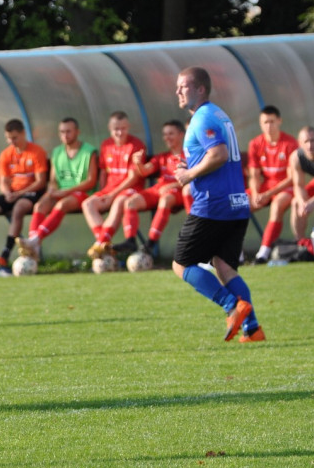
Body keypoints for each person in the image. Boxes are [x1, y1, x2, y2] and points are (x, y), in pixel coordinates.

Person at [172, 66, 263, 343]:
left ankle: (232, 307)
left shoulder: (203, 117)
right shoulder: (218, 114)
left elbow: (219, 154)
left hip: (215, 205)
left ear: (200, 89)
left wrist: (189, 175)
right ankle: (252, 329)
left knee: (181, 264)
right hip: (236, 203)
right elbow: (215, 155)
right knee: (224, 266)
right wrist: (191, 166)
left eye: (183, 86)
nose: (178, 91)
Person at [96, 119, 187, 257]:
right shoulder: (162, 157)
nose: (166, 138)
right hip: (159, 190)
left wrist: (173, 185)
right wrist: (138, 163)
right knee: (130, 202)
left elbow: (195, 175)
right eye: (164, 134)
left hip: (178, 192)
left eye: (171, 134)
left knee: (166, 199)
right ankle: (130, 240)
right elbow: (145, 171)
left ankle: (150, 242)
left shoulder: (188, 156)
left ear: (181, 135)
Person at [0, 119, 47, 274]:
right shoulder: (6, 154)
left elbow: (41, 182)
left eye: (14, 138)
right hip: (12, 193)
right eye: (8, 138)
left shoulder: (37, 152)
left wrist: (19, 193)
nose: (11, 142)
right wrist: (7, 193)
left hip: (31, 193)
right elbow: (3, 181)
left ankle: (5, 254)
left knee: (18, 209)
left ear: (23, 133)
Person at [19, 118, 99, 257]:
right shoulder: (57, 152)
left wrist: (66, 192)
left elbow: (91, 181)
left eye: (69, 131)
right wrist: (52, 189)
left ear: (77, 132)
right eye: (62, 132)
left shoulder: (89, 151)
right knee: (39, 206)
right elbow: (53, 179)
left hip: (82, 193)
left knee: (62, 205)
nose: (65, 135)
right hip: (61, 192)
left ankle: (35, 240)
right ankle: (34, 246)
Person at [80, 111, 148, 258]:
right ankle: (104, 244)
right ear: (110, 129)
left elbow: (133, 178)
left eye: (123, 128)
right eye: (116, 129)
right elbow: (104, 172)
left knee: (118, 202)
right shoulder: (106, 145)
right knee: (88, 204)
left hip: (131, 190)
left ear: (128, 127)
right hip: (110, 190)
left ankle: (100, 243)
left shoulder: (136, 145)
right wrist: (104, 192)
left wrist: (111, 195)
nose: (119, 132)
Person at [246, 105, 298, 263]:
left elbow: (292, 178)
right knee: (237, 204)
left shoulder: (290, 143)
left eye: (272, 122)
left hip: (285, 187)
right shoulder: (255, 143)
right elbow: (254, 174)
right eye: (265, 122)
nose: (268, 126)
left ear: (279, 121)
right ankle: (235, 253)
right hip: (265, 187)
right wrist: (255, 194)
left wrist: (267, 194)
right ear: (260, 124)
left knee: (277, 206)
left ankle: (263, 252)